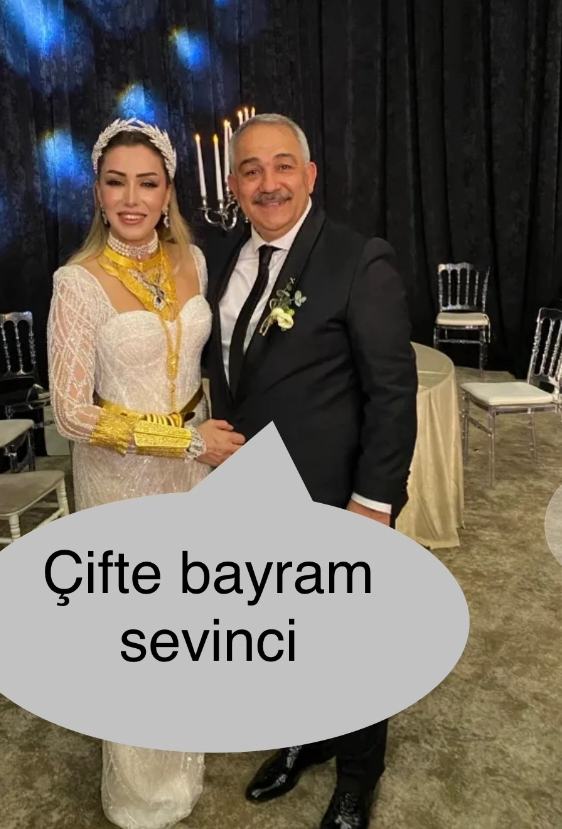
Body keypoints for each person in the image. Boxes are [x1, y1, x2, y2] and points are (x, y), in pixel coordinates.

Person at [203, 113, 418, 829]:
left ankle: (357, 777)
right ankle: (306, 735)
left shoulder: (358, 258)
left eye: (282, 165)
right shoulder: (223, 260)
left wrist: (373, 503)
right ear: (234, 185)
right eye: (251, 170)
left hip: (336, 498)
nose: (268, 183)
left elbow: (393, 392)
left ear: (310, 174)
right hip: (253, 493)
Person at [47, 118, 244, 829]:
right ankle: (139, 795)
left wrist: (210, 444)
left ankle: (183, 753)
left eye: (147, 183)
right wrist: (186, 442)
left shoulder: (193, 261)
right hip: (120, 483)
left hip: (193, 479)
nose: (132, 199)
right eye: (116, 182)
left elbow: (202, 369)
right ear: (98, 194)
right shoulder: (76, 284)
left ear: (167, 194)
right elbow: (71, 414)